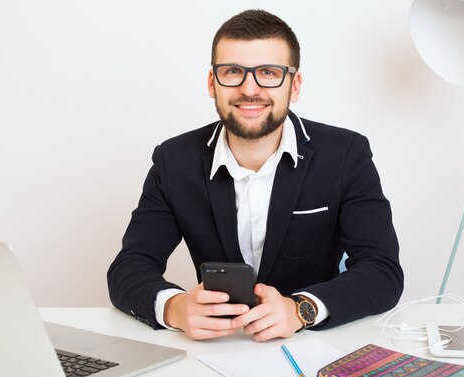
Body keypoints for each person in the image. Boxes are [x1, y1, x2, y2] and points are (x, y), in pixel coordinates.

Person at [107, 9, 403, 342]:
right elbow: (129, 267)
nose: (250, 89)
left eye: (268, 72)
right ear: (212, 83)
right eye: (233, 71)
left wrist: (300, 310)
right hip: (217, 349)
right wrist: (175, 308)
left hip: (313, 345)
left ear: (294, 85)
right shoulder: (174, 160)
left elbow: (382, 271)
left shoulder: (346, 154)